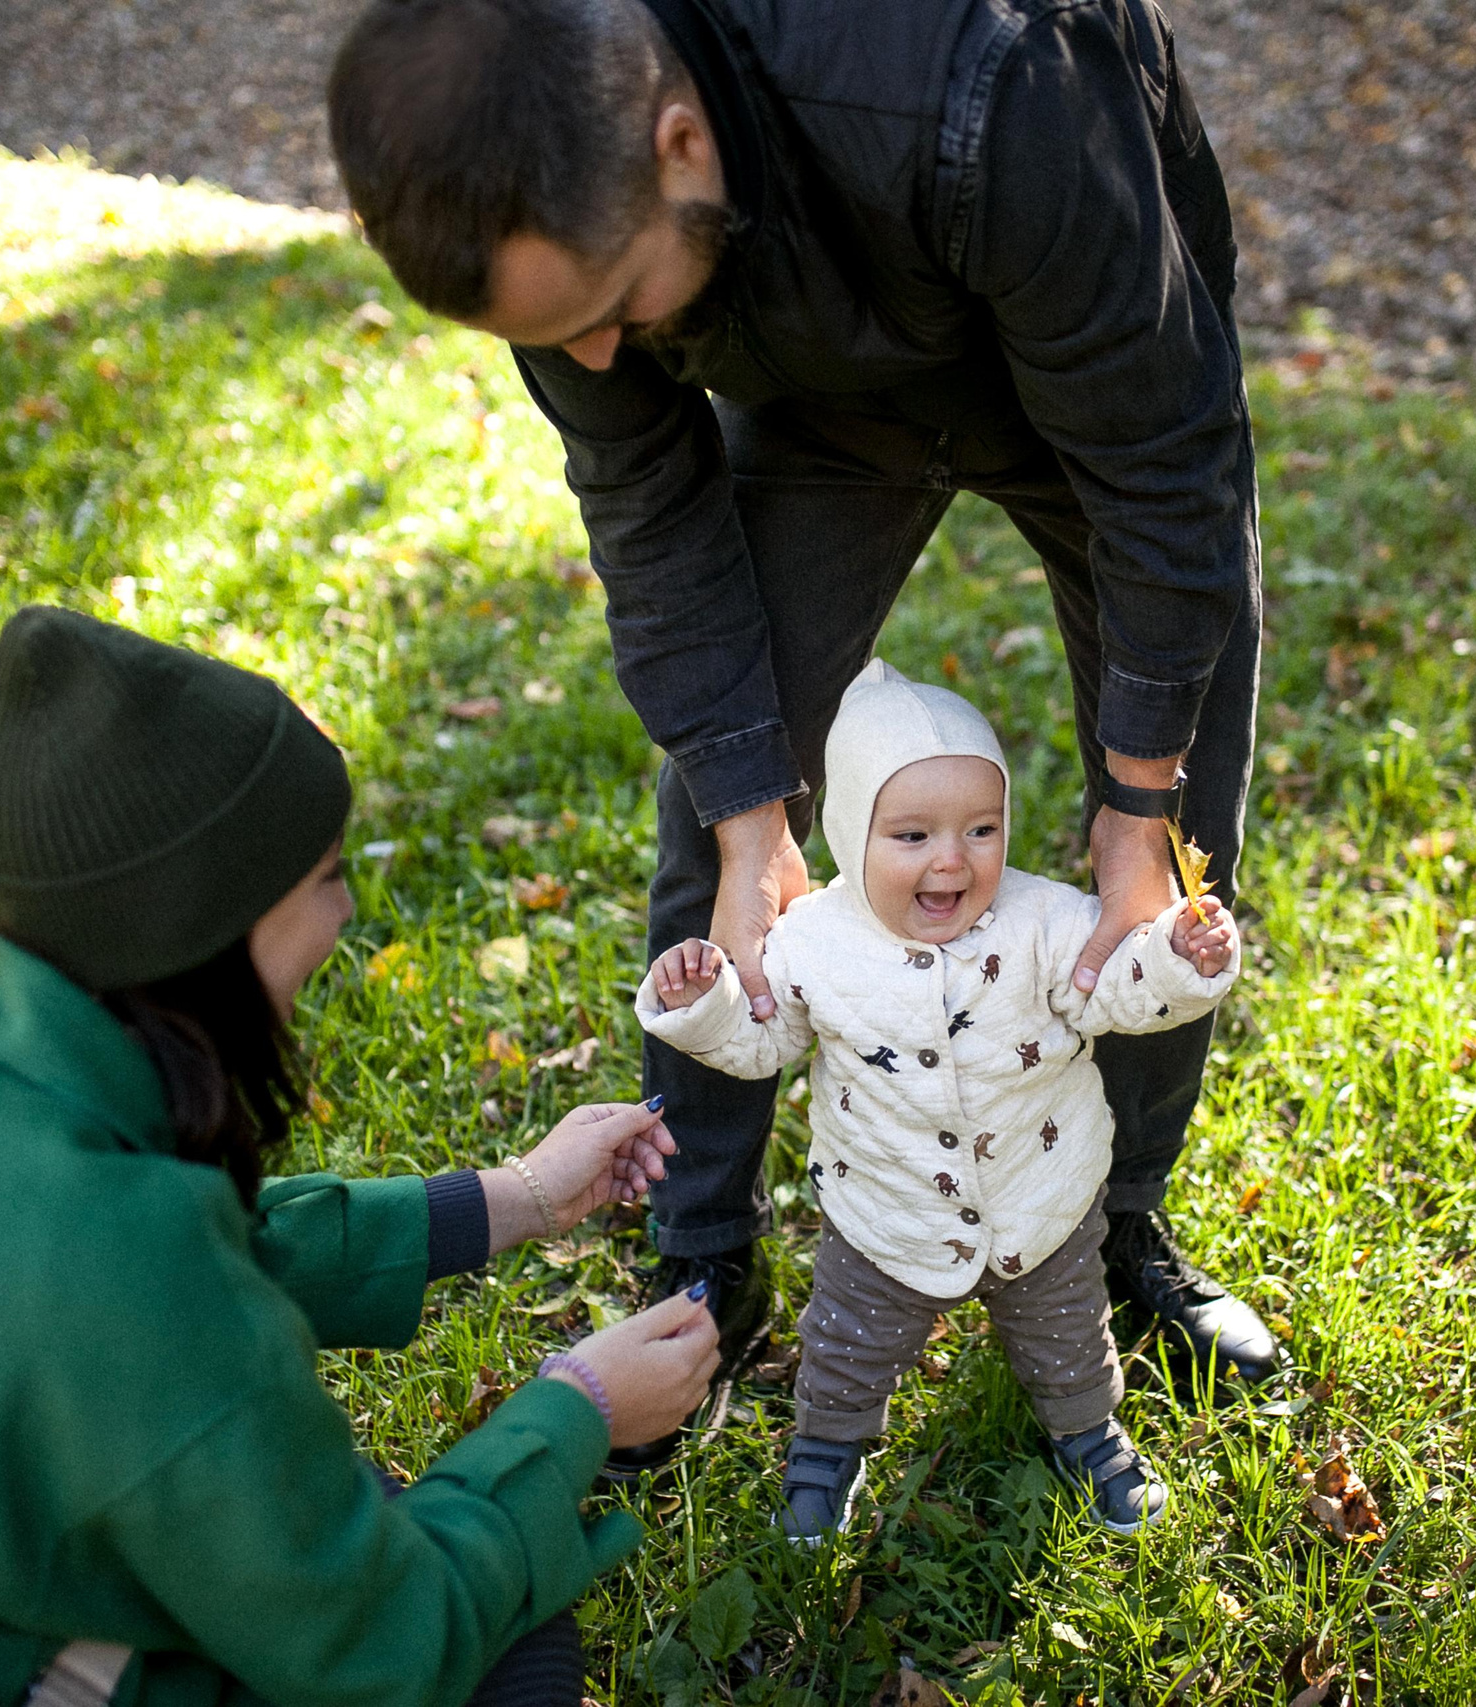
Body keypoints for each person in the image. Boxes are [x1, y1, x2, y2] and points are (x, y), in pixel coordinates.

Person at [328, 0, 1279, 1478]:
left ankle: (1113, 1217)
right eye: (547, 335)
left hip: (1090, 380)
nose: (590, 352)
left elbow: (1170, 472)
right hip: (828, 405)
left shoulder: (998, 76)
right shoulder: (557, 197)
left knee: (1170, 837)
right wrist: (749, 821)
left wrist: (1133, 807)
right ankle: (702, 1253)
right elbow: (649, 506)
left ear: (682, 141)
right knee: (717, 796)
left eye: (608, 305)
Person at [0, 607, 718, 1706]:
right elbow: (391, 1640)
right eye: (325, 876)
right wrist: (576, 1407)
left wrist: (513, 1200)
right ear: (208, 933)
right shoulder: (111, 1266)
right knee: (499, 1628)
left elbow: (177, 1271)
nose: (349, 908)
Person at [638, 664, 1237, 1541]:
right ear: (850, 834)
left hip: (1042, 1195)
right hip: (884, 1209)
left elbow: (1115, 986)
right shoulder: (814, 940)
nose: (952, 859)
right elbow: (761, 1042)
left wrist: (1179, 958)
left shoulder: (1045, 919)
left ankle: (1088, 1428)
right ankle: (826, 1446)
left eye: (981, 829)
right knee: (847, 1345)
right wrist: (705, 1005)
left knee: (1069, 1332)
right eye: (912, 834)